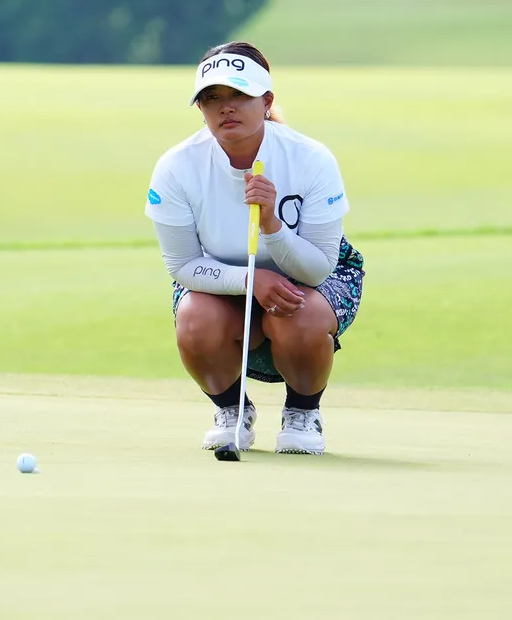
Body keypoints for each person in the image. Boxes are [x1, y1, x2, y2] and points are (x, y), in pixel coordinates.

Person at [144, 41, 365, 455]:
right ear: (200, 108)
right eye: (212, 98)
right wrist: (251, 280)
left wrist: (272, 227)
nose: (226, 107)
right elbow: (183, 265)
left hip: (310, 280)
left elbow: (318, 268)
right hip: (221, 279)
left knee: (297, 313)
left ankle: (302, 414)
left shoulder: (311, 159)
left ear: (267, 101)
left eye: (240, 94)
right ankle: (231, 412)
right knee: (194, 318)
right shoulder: (176, 166)